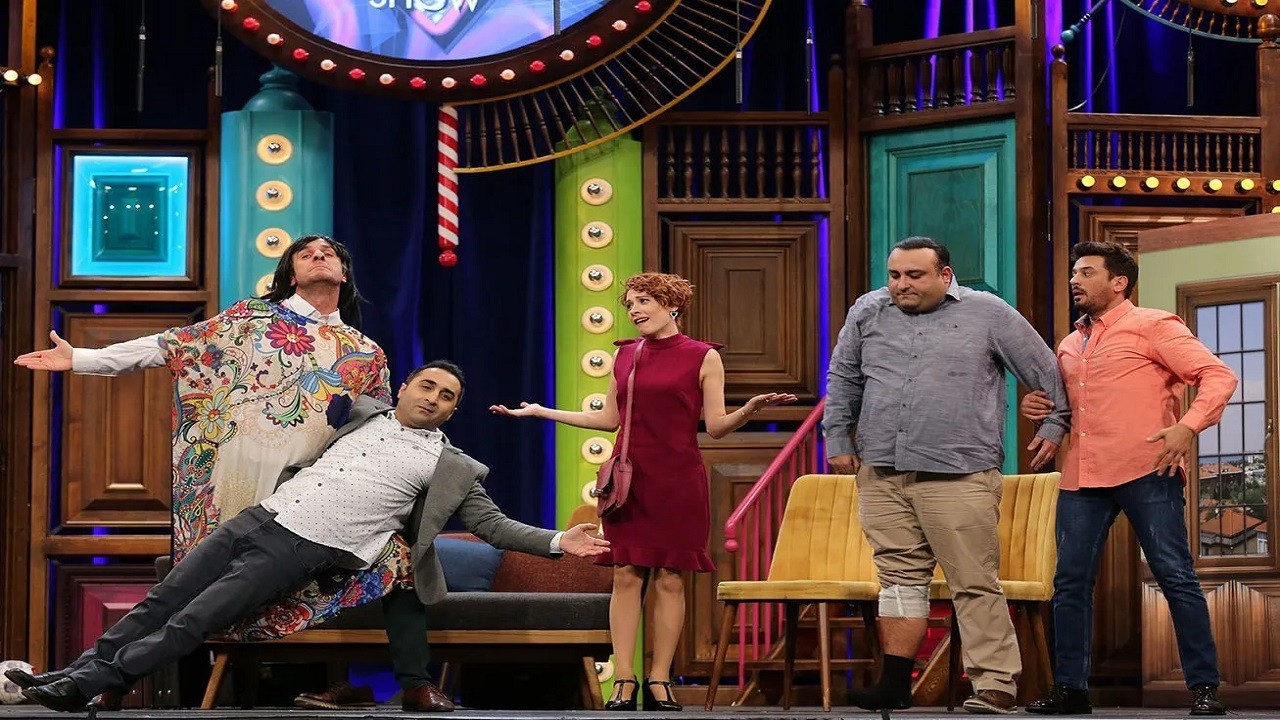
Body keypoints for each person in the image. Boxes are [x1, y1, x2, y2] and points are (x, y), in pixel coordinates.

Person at [8, 361, 610, 713]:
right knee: (160, 602)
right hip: (256, 519)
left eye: (446, 396)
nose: (433, 398)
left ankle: (88, 687)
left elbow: (492, 526)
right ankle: (72, 675)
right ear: (403, 388)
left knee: (194, 620)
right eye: (426, 386)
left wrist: (561, 541)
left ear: (452, 412)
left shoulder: (450, 465)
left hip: (303, 548)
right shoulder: (363, 413)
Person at [13, 235, 409, 642]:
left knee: (290, 582)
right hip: (235, 478)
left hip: (306, 490)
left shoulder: (366, 354)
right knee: (214, 587)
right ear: (292, 275)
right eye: (306, 254)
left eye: (328, 254)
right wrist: (85, 358)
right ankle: (152, 665)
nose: (319, 256)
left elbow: (373, 433)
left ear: (344, 274)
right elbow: (172, 346)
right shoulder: (251, 319)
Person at [489, 272, 796, 711]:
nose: (634, 310)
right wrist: (541, 412)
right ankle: (624, 679)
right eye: (630, 303)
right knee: (625, 574)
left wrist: (748, 409)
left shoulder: (703, 356)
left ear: (672, 305)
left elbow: (716, 427)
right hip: (629, 480)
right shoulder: (626, 354)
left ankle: (660, 680)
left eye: (643, 301)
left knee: (670, 578)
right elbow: (608, 420)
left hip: (679, 481)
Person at [824, 236, 1070, 714]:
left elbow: (1046, 371)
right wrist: (838, 439)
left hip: (959, 471)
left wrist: (1054, 424)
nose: (901, 285)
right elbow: (844, 377)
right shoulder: (868, 310)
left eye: (914, 275)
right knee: (898, 582)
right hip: (882, 469)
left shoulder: (988, 312)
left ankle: (995, 684)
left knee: (973, 581)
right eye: (895, 275)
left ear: (945, 275)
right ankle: (896, 682)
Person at [1020, 241, 1235, 716]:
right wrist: (1039, 409)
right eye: (1074, 272)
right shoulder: (1069, 344)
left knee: (1175, 575)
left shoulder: (1154, 325)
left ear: (1119, 282)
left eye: (1087, 273)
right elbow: (1064, 409)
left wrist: (1187, 426)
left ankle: (1204, 687)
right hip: (1083, 476)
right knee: (1070, 582)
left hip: (1148, 469)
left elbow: (1218, 376)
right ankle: (1071, 689)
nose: (1074, 280)